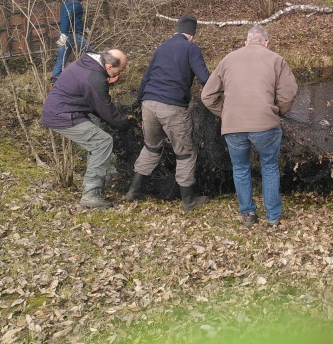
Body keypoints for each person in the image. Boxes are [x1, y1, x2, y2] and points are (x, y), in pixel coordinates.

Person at [200, 24, 298, 227]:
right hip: (265, 126)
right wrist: (278, 111)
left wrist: (226, 113)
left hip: (233, 127)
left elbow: (207, 95)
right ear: (266, 42)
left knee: (241, 169)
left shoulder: (228, 59)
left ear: (245, 42)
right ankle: (272, 218)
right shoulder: (276, 59)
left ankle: (248, 215)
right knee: (269, 168)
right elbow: (288, 94)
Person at [126, 14, 211, 211]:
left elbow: (146, 77)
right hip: (172, 107)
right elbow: (204, 78)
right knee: (185, 153)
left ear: (176, 31)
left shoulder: (163, 46)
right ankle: (189, 200)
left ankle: (134, 190)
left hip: (148, 104)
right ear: (191, 35)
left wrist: (139, 101)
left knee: (151, 147)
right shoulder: (191, 48)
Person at [40, 49, 130, 209]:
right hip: (62, 114)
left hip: (64, 109)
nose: (119, 74)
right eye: (120, 70)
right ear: (109, 65)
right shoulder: (94, 78)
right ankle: (91, 194)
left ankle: (100, 178)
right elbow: (105, 108)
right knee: (102, 142)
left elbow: (97, 104)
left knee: (96, 141)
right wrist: (124, 123)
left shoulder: (88, 62)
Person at [50, 0, 91, 84]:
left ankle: (54, 83)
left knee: (61, 61)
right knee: (91, 54)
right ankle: (94, 76)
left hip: (65, 35)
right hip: (72, 35)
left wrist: (85, 27)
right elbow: (66, 18)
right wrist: (64, 34)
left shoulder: (68, 1)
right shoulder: (76, 5)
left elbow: (75, 19)